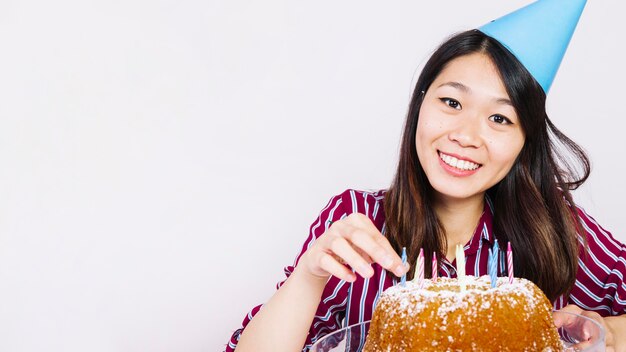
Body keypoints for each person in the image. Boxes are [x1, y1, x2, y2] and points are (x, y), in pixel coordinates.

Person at [227, 1, 626, 351]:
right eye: (452, 102)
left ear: (525, 141)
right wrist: (308, 277)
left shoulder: (554, 227)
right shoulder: (356, 222)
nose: (466, 136)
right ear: (420, 104)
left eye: (500, 118)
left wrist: (605, 329)